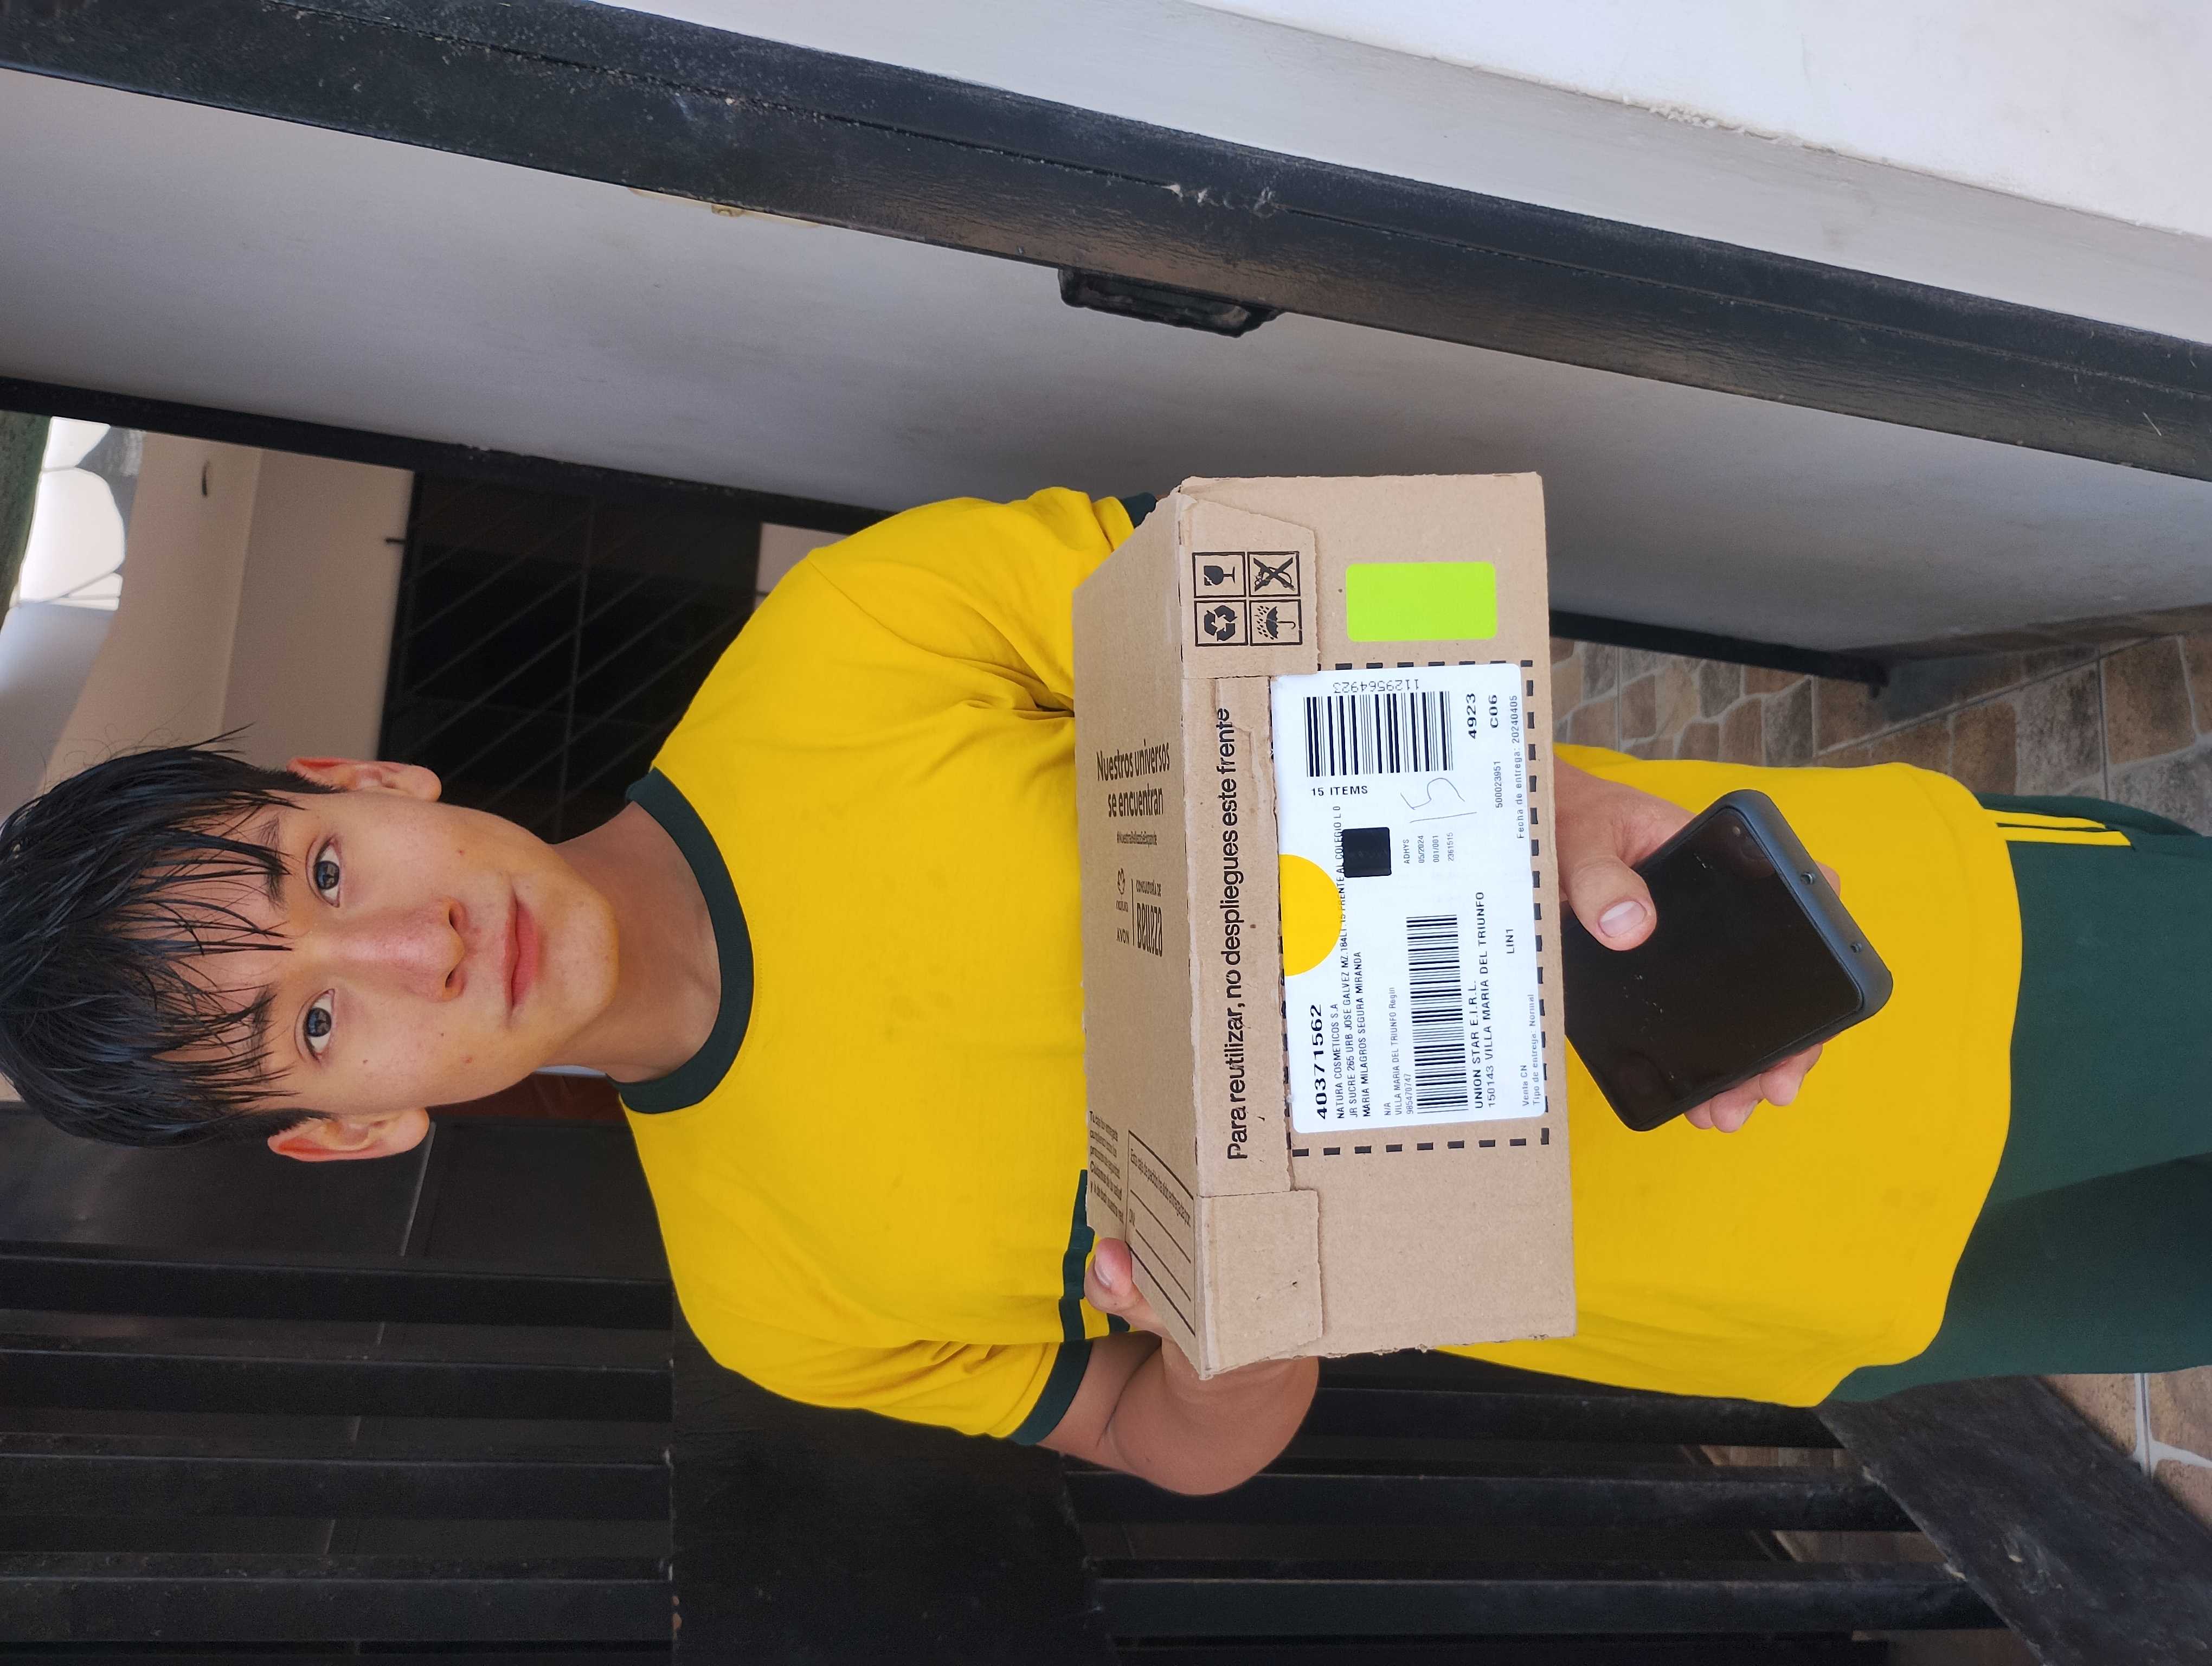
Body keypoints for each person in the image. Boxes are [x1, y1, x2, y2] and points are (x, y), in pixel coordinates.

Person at [4, 488, 2209, 1496]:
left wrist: (1539, 786)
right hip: (1807, 1297)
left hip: (1911, 958)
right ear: (352, 1127)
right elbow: (1172, 1446)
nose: (407, 948)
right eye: (315, 1021)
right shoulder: (775, 1299)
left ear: (358, 782)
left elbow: (1354, 583)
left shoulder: (853, 643)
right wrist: (1237, 1316)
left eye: (317, 876)